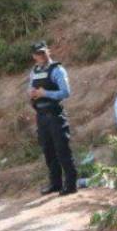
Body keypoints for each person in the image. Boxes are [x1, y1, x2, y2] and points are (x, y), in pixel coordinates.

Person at [28, 41, 78, 196]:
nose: (41, 56)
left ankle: (71, 184)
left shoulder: (57, 70)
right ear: (34, 56)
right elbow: (30, 88)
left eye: (43, 52)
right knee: (48, 150)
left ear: (48, 51)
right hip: (41, 115)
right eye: (38, 53)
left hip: (55, 115)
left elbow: (65, 92)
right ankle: (55, 183)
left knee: (62, 149)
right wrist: (32, 94)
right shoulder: (34, 71)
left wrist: (45, 93)